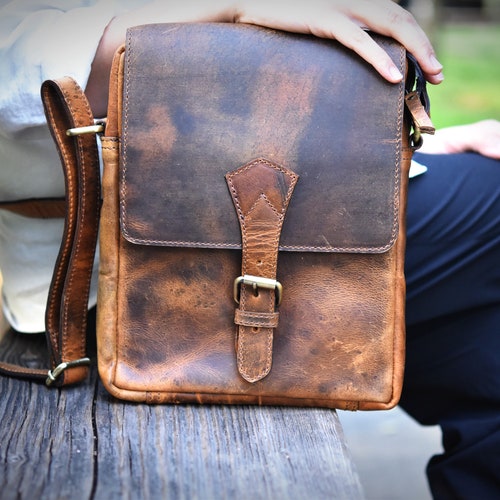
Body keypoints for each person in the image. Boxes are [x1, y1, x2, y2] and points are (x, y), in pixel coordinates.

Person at [0, 1, 498, 498]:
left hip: (246, 176)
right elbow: (17, 64)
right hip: (106, 245)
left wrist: (385, 145)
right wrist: (233, 8)